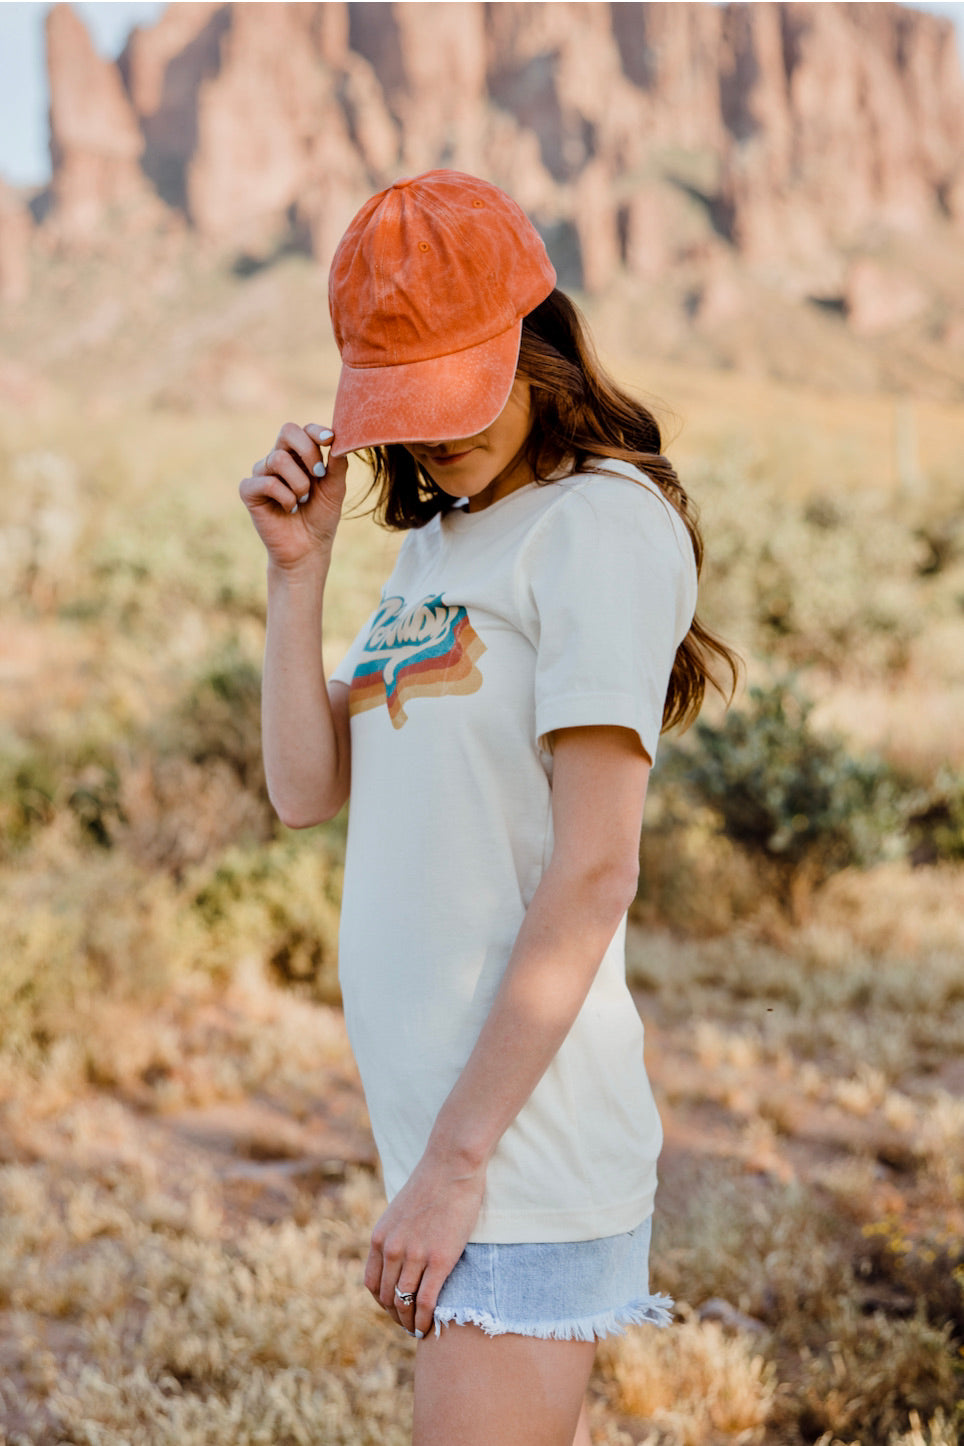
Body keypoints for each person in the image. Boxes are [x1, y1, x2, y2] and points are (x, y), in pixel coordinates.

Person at [239, 170, 737, 1446]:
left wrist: (458, 1167)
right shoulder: (441, 542)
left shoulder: (600, 527)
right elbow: (304, 789)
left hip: (515, 1149)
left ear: (535, 340)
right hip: (450, 1137)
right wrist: (299, 575)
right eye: (399, 404)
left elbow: (595, 873)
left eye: (450, 391)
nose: (431, 435)